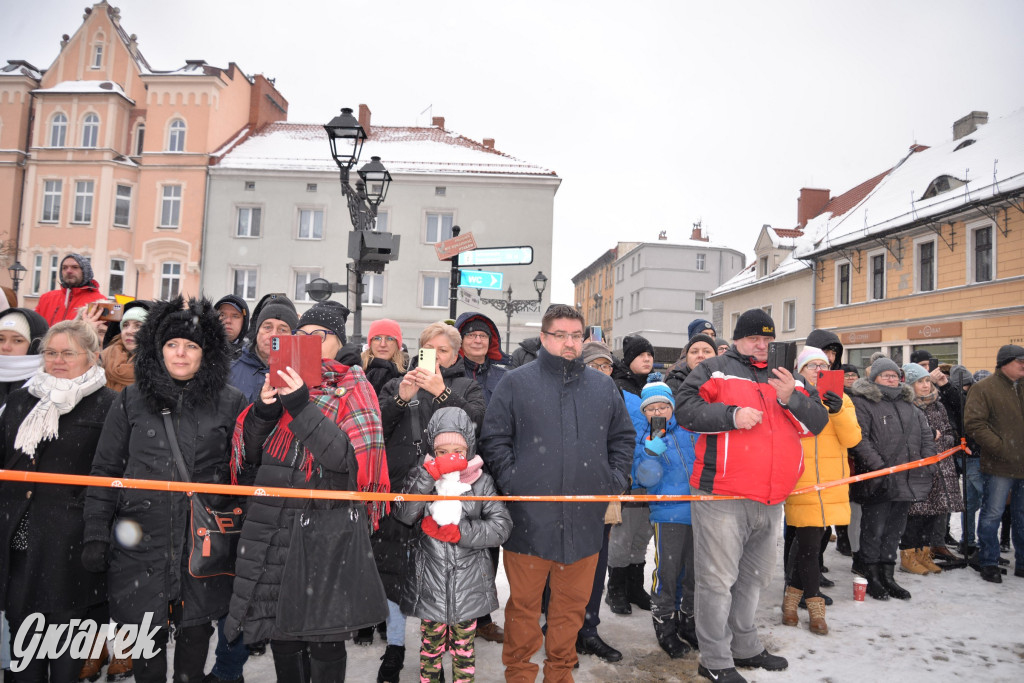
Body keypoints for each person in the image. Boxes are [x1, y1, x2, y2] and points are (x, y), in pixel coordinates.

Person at [83, 297, 247, 683]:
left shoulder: (231, 402)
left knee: (194, 638)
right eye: (172, 344)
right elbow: (106, 469)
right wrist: (95, 532)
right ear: (158, 348)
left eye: (191, 345)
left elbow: (242, 473)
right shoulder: (131, 400)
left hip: (202, 543)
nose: (181, 353)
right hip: (140, 540)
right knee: (146, 645)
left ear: (206, 353)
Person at [225, 300, 389, 683]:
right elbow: (247, 458)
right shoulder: (280, 381)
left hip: (325, 533)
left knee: (324, 640)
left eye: (320, 337)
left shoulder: (354, 386)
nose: (309, 343)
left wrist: (300, 407)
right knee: (282, 636)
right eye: (301, 336)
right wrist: (265, 412)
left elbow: (342, 462)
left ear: (338, 343)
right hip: (274, 527)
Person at [480, 304, 634, 681]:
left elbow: (623, 438)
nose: (569, 343)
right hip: (530, 521)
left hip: (584, 522)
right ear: (544, 337)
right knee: (524, 608)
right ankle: (519, 673)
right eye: (561, 335)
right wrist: (515, 481)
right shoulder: (516, 383)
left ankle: (560, 673)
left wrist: (612, 480)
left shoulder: (602, 386)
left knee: (570, 609)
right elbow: (494, 439)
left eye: (576, 335)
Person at [675, 308, 828, 683]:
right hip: (722, 493)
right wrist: (731, 415)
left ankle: (744, 646)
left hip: (772, 496)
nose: (762, 345)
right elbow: (684, 410)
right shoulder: (715, 369)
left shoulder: (786, 377)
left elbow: (819, 422)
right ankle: (713, 659)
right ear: (739, 339)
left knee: (754, 577)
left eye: (768, 339)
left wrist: (792, 395)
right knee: (716, 580)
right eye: (754, 338)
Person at [0, 320, 115, 683]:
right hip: (20, 540)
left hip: (73, 545)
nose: (58, 360)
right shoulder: (21, 400)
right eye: (51, 352)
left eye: (68, 353)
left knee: (67, 648)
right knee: (23, 647)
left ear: (93, 357)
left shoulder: (110, 405)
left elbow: (111, 472)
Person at [373, 321, 485, 682]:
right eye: (429, 350)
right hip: (402, 489)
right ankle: (394, 646)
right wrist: (401, 398)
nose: (436, 357)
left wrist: (440, 393)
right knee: (394, 570)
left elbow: (476, 424)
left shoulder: (467, 386)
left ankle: (447, 646)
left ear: (456, 355)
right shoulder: (396, 383)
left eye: (444, 351)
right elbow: (376, 429)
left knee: (441, 573)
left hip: (446, 497)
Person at [392, 407, 512, 683]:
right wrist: (427, 477)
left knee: (464, 651)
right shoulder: (421, 476)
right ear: (433, 450)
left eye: (457, 449)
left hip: (468, 583)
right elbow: (404, 513)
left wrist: (461, 532)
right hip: (430, 583)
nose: (450, 457)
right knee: (430, 651)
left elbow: (501, 527)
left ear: (468, 448)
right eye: (442, 450)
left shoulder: (481, 482)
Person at [782, 347, 860, 636]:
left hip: (832, 482)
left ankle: (791, 598)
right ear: (799, 371)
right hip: (801, 481)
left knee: (811, 543)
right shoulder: (790, 397)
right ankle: (815, 607)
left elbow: (852, 439)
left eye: (823, 365)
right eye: (811, 365)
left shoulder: (843, 399)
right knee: (809, 544)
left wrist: (838, 410)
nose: (818, 370)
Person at [846, 357, 935, 601]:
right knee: (874, 529)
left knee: (895, 530)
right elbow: (859, 440)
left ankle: (888, 573)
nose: (891, 378)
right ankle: (871, 573)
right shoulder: (863, 403)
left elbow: (926, 437)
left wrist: (927, 463)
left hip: (907, 478)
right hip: (879, 479)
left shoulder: (911, 406)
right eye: (885, 375)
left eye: (894, 374)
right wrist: (880, 468)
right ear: (873, 378)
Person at [567, 340, 624, 664]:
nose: (601, 372)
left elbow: (622, 442)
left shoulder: (612, 398)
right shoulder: (565, 395)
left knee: (596, 565)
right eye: (594, 365)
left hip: (599, 495)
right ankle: (561, 631)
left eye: (606, 366)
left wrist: (614, 480)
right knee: (560, 567)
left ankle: (589, 630)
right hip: (563, 496)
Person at [632, 376, 697, 658]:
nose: (658, 412)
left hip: (699, 512)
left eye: (663, 406)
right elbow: (645, 480)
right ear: (644, 413)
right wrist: (650, 453)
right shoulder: (643, 440)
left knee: (695, 573)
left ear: (672, 407)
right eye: (651, 408)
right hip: (668, 515)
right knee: (667, 573)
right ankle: (664, 625)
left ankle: (689, 620)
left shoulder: (689, 431)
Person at [964, 344, 1024, 583]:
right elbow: (975, 424)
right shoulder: (984, 388)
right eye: (1020, 361)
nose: (1023, 365)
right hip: (999, 465)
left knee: (1022, 516)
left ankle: (1023, 563)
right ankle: (988, 561)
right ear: (1004, 363)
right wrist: (1002, 448)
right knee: (992, 514)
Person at [897, 363, 961, 575]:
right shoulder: (906, 406)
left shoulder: (938, 405)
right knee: (915, 515)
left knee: (932, 514)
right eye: (919, 382)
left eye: (926, 381)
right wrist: (932, 439)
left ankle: (924, 555)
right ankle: (908, 557)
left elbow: (950, 432)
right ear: (909, 385)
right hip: (919, 469)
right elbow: (909, 439)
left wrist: (941, 440)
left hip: (941, 468)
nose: (925, 386)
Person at [607, 334, 655, 615]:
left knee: (642, 535)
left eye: (649, 354)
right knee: (623, 536)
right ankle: (615, 589)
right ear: (628, 360)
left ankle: (635, 587)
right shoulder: (618, 388)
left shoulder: (653, 388)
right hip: (628, 475)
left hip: (652, 474)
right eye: (640, 355)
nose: (647, 359)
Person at [227, 298, 300, 404]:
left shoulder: (299, 374)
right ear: (257, 331)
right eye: (267, 327)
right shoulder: (230, 370)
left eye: (282, 330)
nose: (273, 335)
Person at [455, 312, 512, 405]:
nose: (478, 341)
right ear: (461, 341)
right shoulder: (449, 375)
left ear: (490, 342)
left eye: (483, 336)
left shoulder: (505, 377)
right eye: (471, 335)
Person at [34, 254, 107, 325]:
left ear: (85, 271)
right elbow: (34, 327)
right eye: (64, 267)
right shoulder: (46, 298)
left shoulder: (99, 302)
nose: (68, 271)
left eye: (75, 267)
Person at [0, 308, 48, 408]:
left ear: (35, 345)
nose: (5, 347)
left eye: (17, 340)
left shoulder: (47, 385)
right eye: (1, 339)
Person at [98, 301, 149, 393]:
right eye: (125, 325)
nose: (128, 331)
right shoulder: (104, 356)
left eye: (138, 325)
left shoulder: (159, 366)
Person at [362, 318, 406, 396]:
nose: (383, 344)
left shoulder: (406, 376)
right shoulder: (356, 372)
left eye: (389, 338)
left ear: (397, 344)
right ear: (370, 343)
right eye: (377, 338)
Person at [215, 295, 251, 362]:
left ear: (244, 322)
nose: (228, 321)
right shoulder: (201, 350)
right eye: (222, 315)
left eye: (235, 316)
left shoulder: (251, 357)